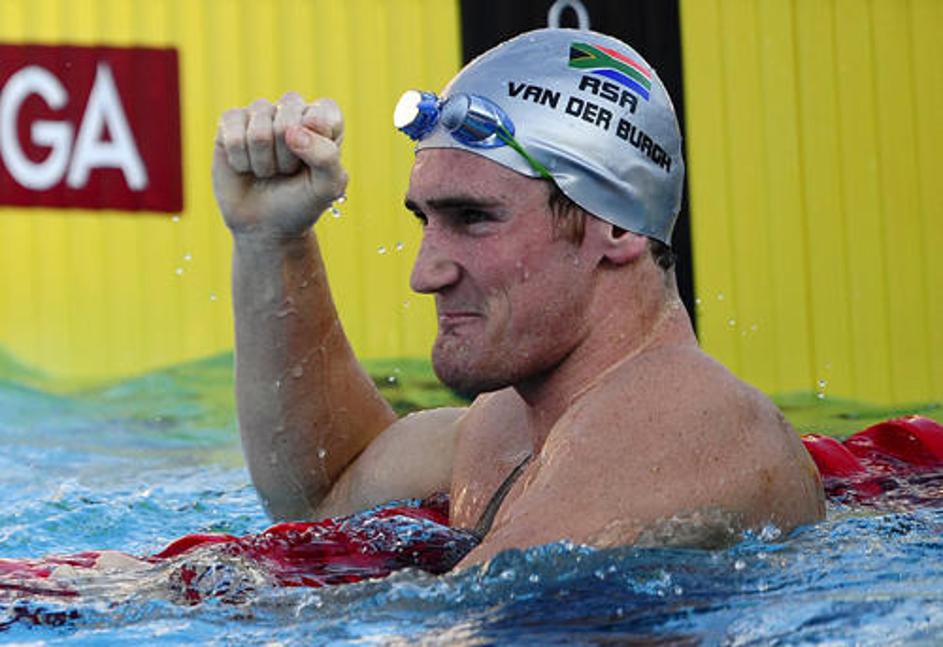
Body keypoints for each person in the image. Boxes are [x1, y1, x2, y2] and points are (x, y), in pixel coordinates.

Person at [211, 28, 825, 567]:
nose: (424, 274)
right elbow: (325, 496)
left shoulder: (683, 421)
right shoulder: (510, 421)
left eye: (473, 218)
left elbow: (469, 624)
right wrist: (273, 241)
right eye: (425, 220)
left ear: (616, 227)